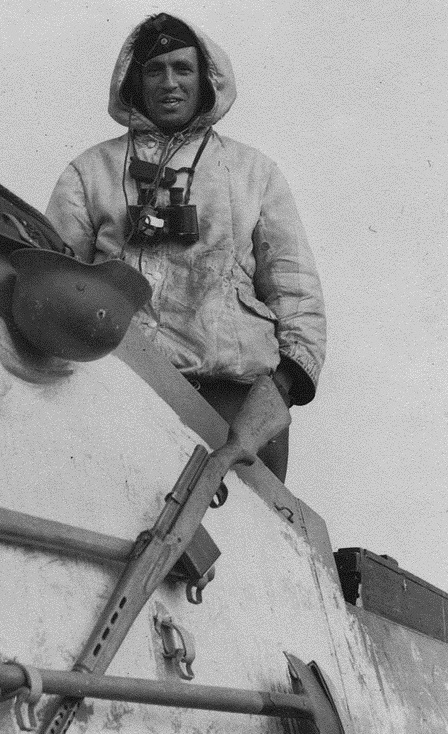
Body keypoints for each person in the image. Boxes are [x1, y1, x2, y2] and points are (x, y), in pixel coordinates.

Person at [45, 13, 326, 483]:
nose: (169, 83)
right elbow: (58, 283)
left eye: (183, 68)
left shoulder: (254, 172)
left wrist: (276, 395)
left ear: (206, 79)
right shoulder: (89, 172)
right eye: (155, 70)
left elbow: (297, 292)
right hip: (121, 393)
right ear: (135, 81)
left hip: (234, 405)